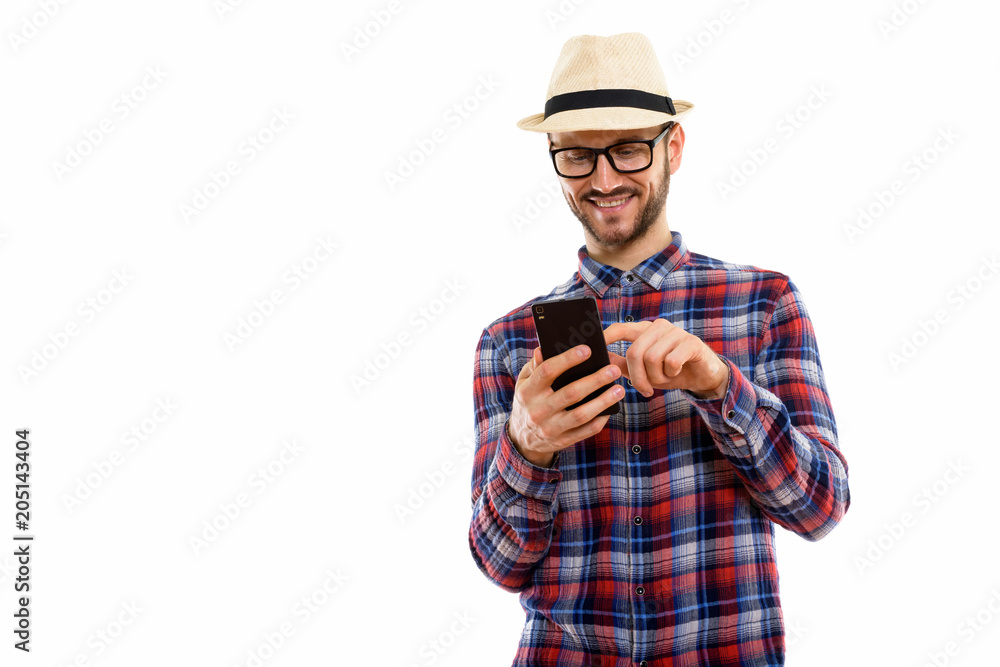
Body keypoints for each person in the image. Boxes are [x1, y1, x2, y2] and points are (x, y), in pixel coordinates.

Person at [467, 32, 850, 667]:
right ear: (554, 159)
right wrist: (528, 447)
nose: (603, 178)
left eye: (626, 149)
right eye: (578, 157)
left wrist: (719, 385)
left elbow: (821, 509)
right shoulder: (508, 343)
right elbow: (500, 567)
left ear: (672, 147)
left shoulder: (764, 303)